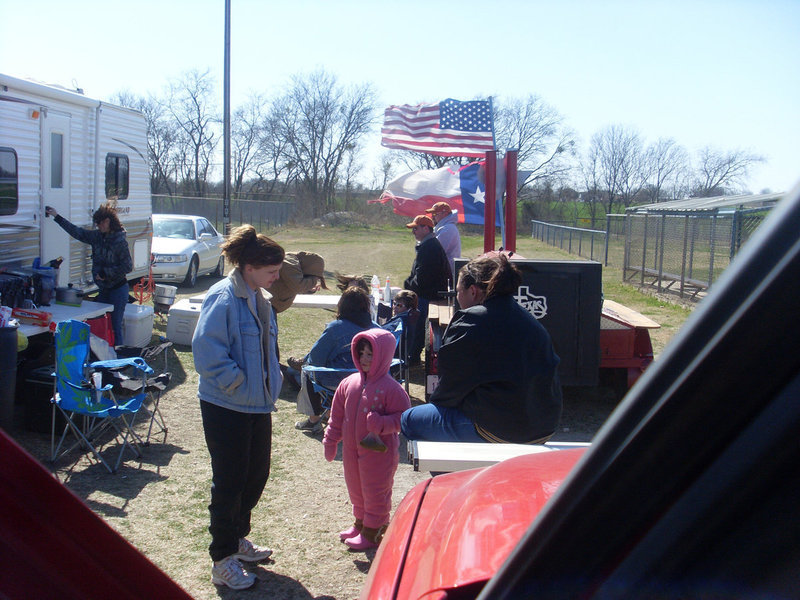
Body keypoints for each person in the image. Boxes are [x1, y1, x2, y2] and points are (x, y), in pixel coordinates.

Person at [191, 224, 284, 591]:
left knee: (255, 475)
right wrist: (238, 384)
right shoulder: (223, 297)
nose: (277, 277)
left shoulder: (259, 295)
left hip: (256, 404)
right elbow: (206, 351)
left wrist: (266, 384)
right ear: (249, 267)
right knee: (229, 482)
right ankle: (222, 559)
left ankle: (237, 540)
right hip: (226, 405)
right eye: (271, 271)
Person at [401, 253, 562, 444]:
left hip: (501, 430)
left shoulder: (471, 320)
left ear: (473, 291)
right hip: (544, 426)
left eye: (458, 291)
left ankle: (452, 473)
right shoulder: (529, 320)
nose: (457, 298)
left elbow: (449, 388)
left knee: (409, 420)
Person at [322, 328, 411, 550]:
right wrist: (331, 439)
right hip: (351, 452)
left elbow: (405, 418)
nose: (364, 359)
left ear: (384, 356)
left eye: (370, 355)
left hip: (379, 454)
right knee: (356, 489)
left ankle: (374, 531)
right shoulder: (349, 383)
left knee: (375, 491)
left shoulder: (392, 389)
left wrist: (382, 424)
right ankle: (361, 524)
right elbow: (337, 416)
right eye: (361, 353)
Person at [289, 287, 378, 434]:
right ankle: (331, 414)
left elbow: (316, 359)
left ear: (342, 305)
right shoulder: (377, 329)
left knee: (307, 370)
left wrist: (306, 360)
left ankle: (314, 420)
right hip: (371, 381)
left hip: (338, 380)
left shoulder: (335, 328)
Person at [45, 203, 132, 345]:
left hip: (118, 289)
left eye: (99, 223)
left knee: (115, 325)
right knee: (100, 324)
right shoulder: (97, 237)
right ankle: (102, 356)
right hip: (104, 290)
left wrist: (105, 273)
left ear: (107, 221)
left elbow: (128, 266)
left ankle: (119, 359)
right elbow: (77, 232)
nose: (97, 226)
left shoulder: (119, 241)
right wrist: (57, 216)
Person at [402, 215, 451, 365]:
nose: (413, 232)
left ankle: (412, 356)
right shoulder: (428, 245)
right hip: (428, 294)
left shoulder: (430, 247)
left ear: (426, 228)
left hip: (428, 296)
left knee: (416, 325)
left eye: (416, 228)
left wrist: (407, 287)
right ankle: (412, 355)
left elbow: (422, 280)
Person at [426, 201, 462, 280]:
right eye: (432, 214)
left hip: (445, 273)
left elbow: (436, 251)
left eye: (435, 214)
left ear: (444, 214)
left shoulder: (447, 229)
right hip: (444, 271)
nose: (433, 217)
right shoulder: (445, 227)